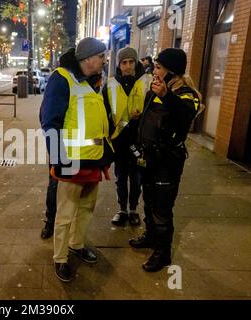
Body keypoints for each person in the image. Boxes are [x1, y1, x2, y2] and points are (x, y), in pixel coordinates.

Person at [40, 37, 114, 282]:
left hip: (93, 160)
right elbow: (50, 121)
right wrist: (58, 159)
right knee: (65, 214)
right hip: (71, 162)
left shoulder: (93, 82)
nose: (104, 60)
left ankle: (77, 244)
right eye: (101, 56)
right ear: (88, 59)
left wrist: (107, 153)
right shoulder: (62, 78)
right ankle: (60, 258)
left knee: (86, 209)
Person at [129, 48, 200, 272]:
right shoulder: (155, 90)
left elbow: (185, 116)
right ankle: (150, 236)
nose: (154, 71)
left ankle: (163, 253)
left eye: (159, 67)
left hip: (167, 162)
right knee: (148, 201)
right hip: (148, 158)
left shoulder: (186, 94)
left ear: (172, 72)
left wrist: (166, 96)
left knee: (162, 208)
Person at [103, 47, 150, 226]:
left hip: (139, 140)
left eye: (131, 62)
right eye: (124, 62)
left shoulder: (148, 81)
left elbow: (155, 111)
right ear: (119, 64)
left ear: (136, 62)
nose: (128, 66)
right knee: (121, 177)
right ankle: (122, 209)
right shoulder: (110, 84)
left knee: (136, 177)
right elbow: (105, 112)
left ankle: (133, 210)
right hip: (119, 140)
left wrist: (142, 116)